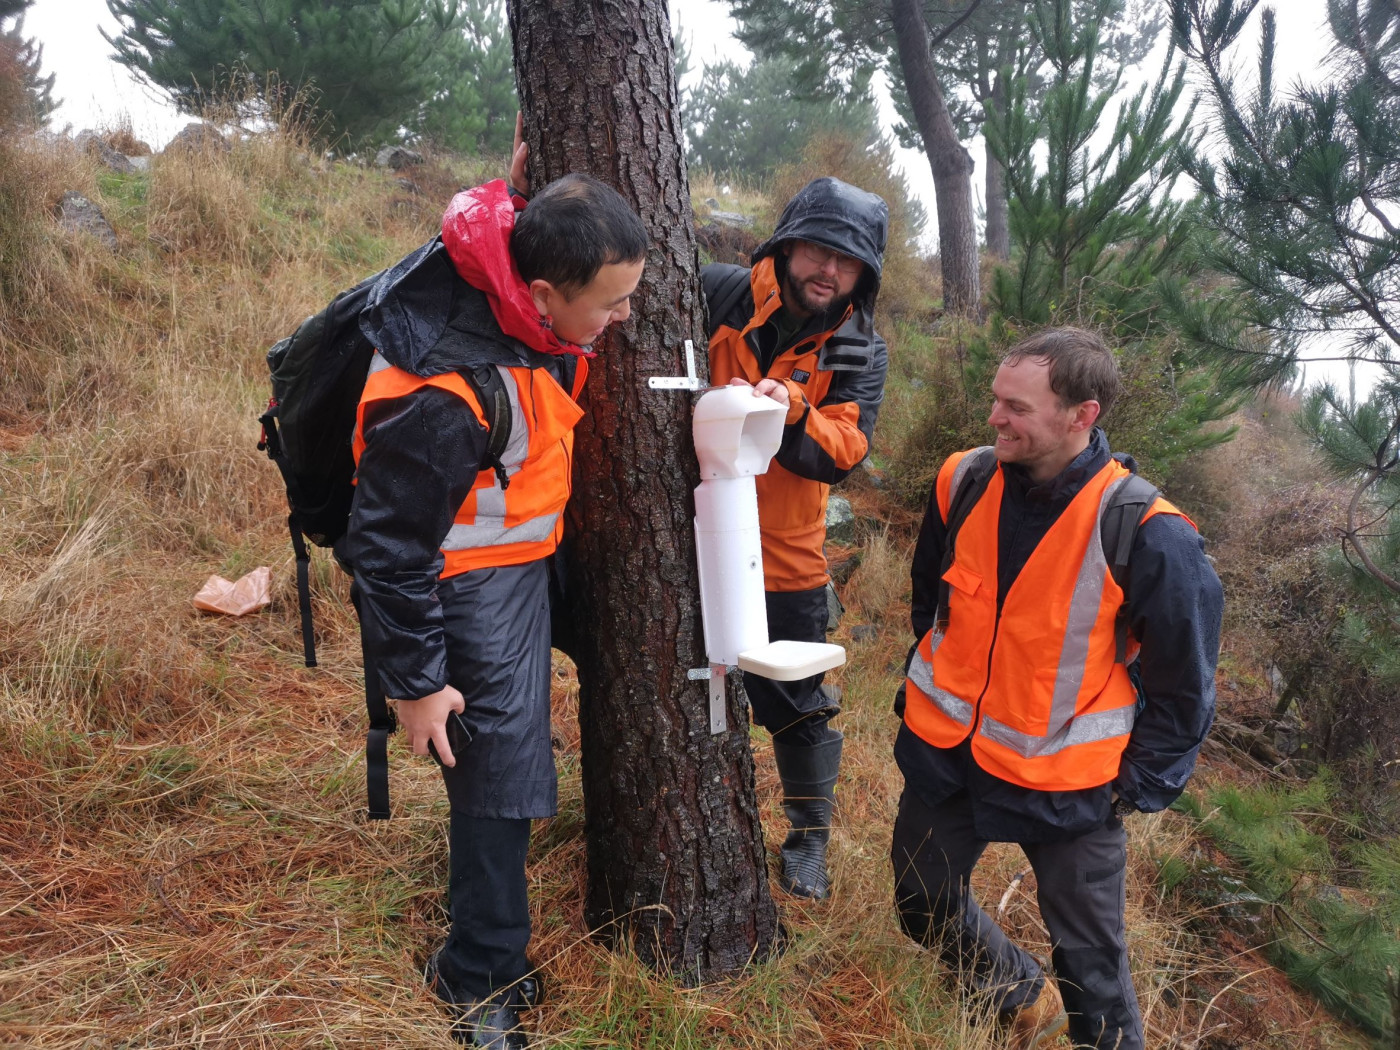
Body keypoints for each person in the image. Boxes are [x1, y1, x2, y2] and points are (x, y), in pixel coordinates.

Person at [337, 148, 646, 1047]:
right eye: (613, 302)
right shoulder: (439, 394)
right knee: (500, 774)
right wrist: (417, 683)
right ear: (544, 295)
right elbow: (387, 552)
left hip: (533, 553)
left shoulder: (516, 272)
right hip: (467, 585)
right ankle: (479, 974)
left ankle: (484, 956)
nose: (628, 316)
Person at [889, 327, 1222, 1048]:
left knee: (1094, 971)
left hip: (1073, 781)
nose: (995, 418)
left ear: (1083, 415)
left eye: (1017, 407)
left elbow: (1185, 684)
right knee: (921, 901)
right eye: (995, 400)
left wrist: (1135, 785)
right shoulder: (963, 479)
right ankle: (1010, 987)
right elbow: (930, 601)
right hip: (948, 753)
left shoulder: (1149, 531)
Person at [702, 177, 889, 900]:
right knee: (686, 685)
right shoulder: (717, 294)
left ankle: (809, 838)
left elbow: (839, 454)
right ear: (785, 245)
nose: (829, 271)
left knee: (800, 702)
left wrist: (794, 408)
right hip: (687, 539)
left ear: (864, 276)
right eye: (818, 249)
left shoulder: (858, 351)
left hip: (784, 555)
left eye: (848, 262)